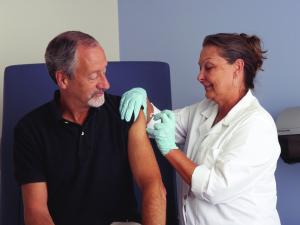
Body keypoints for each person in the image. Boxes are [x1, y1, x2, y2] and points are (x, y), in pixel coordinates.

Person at [119, 33, 281, 225]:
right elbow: (159, 123)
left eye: (209, 67)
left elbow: (214, 188)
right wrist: (143, 101)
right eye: (200, 67)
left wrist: (170, 150)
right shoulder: (204, 109)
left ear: (237, 67)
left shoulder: (257, 125)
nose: (200, 76)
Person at [13, 31, 166, 225]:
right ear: (63, 80)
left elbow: (153, 185)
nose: (106, 84)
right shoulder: (31, 129)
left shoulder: (126, 112)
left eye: (105, 71)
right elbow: (36, 211)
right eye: (94, 76)